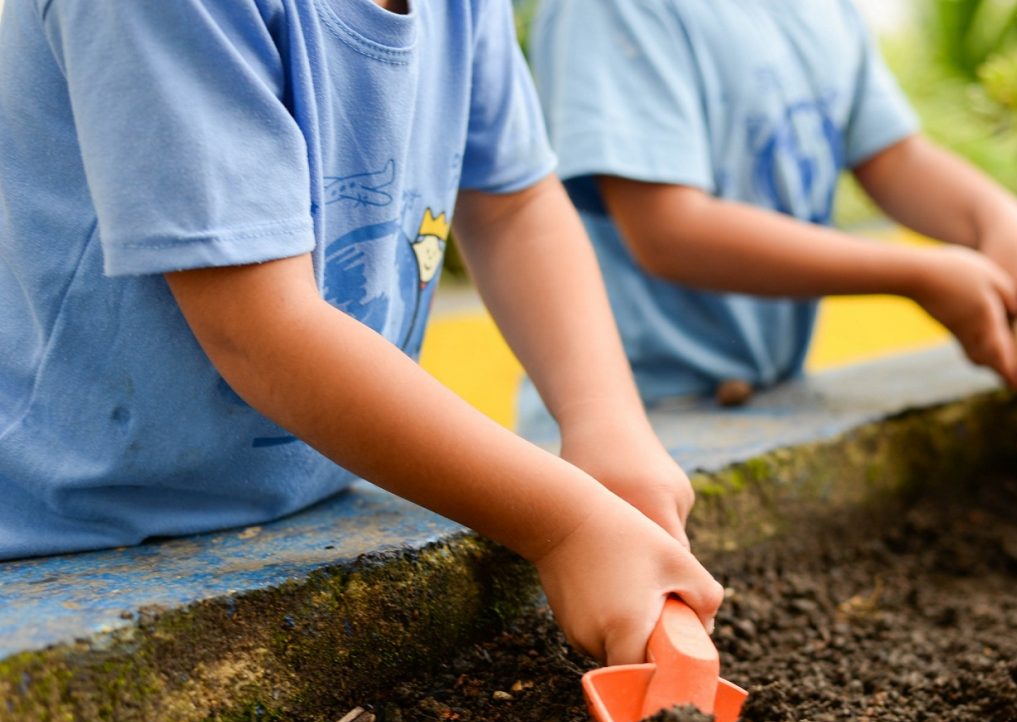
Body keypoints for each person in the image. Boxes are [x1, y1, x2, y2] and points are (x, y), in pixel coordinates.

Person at [0, 0, 721, 666]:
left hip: (288, 502)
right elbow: (258, 326)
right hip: (64, 529)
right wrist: (567, 527)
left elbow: (513, 205)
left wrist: (607, 422)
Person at [524, 0, 1017, 429]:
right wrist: (918, 275)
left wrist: (998, 219)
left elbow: (894, 158)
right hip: (628, 413)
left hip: (767, 395)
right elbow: (668, 231)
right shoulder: (611, 10)